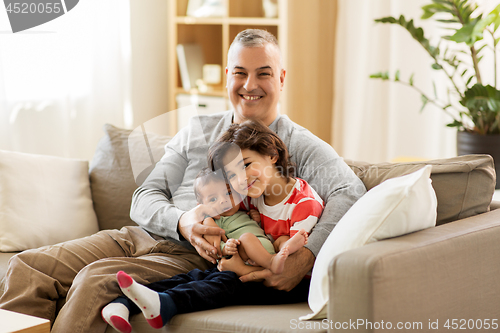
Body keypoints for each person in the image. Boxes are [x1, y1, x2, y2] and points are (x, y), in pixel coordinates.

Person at [0, 29, 366, 333]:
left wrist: (308, 254)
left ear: (281, 79)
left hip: (195, 257)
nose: (249, 84)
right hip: (142, 234)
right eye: (239, 72)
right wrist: (183, 220)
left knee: (95, 280)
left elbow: (349, 191)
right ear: (227, 76)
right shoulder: (197, 130)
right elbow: (146, 194)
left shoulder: (296, 144)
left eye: (264, 73)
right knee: (28, 266)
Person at [102, 120, 325, 332]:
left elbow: (290, 267)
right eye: (232, 175)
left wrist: (242, 269)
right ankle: (125, 302)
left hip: (289, 285)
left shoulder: (303, 204)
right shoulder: (252, 194)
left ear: (272, 155)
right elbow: (217, 212)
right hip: (248, 264)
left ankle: (166, 304)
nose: (242, 179)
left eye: (246, 165)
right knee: (197, 276)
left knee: (223, 282)